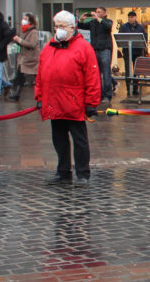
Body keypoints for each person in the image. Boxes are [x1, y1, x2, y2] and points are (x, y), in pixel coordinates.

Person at [36, 11, 100, 187]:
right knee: (59, 139)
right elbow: (41, 74)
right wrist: (40, 97)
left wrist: (91, 102)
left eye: (62, 26)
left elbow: (92, 76)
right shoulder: (49, 47)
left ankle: (82, 173)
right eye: (56, 26)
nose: (58, 30)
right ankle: (63, 171)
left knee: (79, 140)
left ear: (73, 28)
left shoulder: (83, 48)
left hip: (74, 102)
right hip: (54, 101)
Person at [77, 7, 115, 103]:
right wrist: (81, 19)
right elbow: (81, 26)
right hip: (95, 49)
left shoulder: (107, 21)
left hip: (105, 49)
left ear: (104, 13)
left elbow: (108, 27)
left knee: (106, 73)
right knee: (96, 74)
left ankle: (107, 96)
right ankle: (99, 95)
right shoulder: (92, 23)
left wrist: (98, 19)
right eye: (96, 12)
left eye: (99, 12)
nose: (97, 14)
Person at [9, 13, 40, 101]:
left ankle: (41, 94)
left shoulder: (33, 32)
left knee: (37, 77)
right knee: (20, 75)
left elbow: (32, 44)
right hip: (24, 58)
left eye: (25, 18)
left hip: (31, 58)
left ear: (30, 21)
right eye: (23, 18)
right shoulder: (23, 30)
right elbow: (22, 43)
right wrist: (16, 40)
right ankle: (17, 93)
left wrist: (20, 40)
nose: (23, 20)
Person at [118, 11, 148, 96]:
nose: (130, 19)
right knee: (128, 70)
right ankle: (128, 89)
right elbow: (120, 38)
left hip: (137, 51)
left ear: (135, 18)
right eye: (129, 17)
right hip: (127, 51)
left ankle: (135, 89)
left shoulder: (140, 27)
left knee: (136, 71)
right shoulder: (123, 27)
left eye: (132, 17)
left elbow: (144, 38)